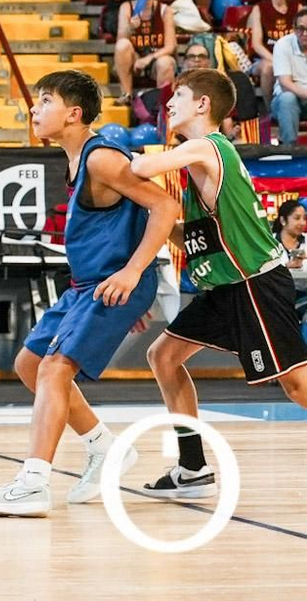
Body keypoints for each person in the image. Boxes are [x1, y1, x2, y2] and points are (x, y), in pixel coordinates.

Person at [0, 71, 177, 517]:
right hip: (87, 286)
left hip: (110, 283)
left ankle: (33, 483)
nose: (34, 109)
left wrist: (132, 275)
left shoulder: (101, 158)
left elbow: (165, 206)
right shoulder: (78, 159)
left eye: (45, 101)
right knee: (28, 363)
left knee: (54, 370)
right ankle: (105, 448)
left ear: (74, 113)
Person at [131, 69, 307, 499]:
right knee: (165, 355)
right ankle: (192, 468)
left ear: (203, 105)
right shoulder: (199, 163)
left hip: (255, 284)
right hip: (227, 287)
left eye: (179, 96)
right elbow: (200, 239)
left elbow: (139, 166)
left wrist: (101, 158)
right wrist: (162, 223)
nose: (168, 104)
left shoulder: (206, 147)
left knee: (296, 384)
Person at [113, 0, 177, 103]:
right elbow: (120, 39)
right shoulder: (126, 7)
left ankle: (163, 104)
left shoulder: (165, 10)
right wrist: (130, 27)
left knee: (165, 62)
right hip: (134, 57)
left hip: (157, 56)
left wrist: (148, 59)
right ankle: (126, 94)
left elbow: (171, 46)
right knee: (122, 45)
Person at [269, 8, 307, 145]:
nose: (305, 33)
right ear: (294, 29)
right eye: (301, 29)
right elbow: (285, 83)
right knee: (287, 98)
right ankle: (289, 148)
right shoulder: (283, 44)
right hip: (286, 101)